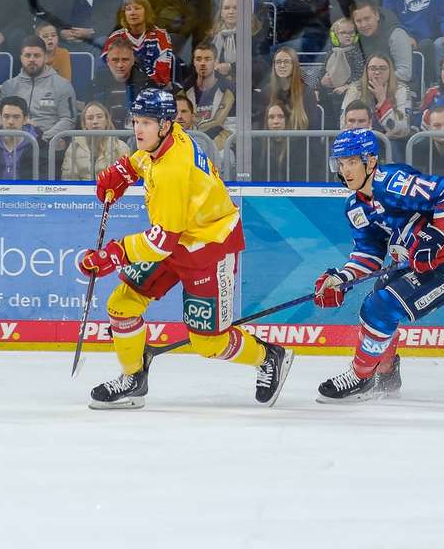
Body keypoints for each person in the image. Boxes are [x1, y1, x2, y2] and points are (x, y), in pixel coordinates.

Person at [77, 88, 294, 410]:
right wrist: (124, 170)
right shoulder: (171, 137)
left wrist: (114, 254)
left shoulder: (172, 172)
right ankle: (133, 378)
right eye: (136, 121)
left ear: (164, 125)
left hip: (209, 248)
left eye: (147, 122)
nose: (138, 129)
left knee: (210, 344)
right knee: (122, 304)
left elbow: (159, 242)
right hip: (177, 239)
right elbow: (145, 160)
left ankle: (269, 356)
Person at [312, 128, 444, 401]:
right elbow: (369, 254)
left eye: (352, 161)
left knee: (381, 306)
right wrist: (343, 278)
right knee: (375, 301)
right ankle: (386, 372)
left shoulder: (392, 183)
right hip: (418, 259)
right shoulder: (355, 207)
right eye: (341, 163)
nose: (345, 170)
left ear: (370, 162)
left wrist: (437, 233)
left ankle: (361, 377)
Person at [1, 35, 77, 153]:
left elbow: (68, 120)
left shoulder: (62, 85)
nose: (32, 59)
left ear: (45, 57)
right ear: (21, 58)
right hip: (13, 144)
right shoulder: (9, 86)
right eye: (27, 55)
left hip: (47, 145)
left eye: (36, 55)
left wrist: (41, 138)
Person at [102, 0, 174, 88]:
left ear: (146, 12)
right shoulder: (114, 38)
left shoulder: (161, 36)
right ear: (124, 14)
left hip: (154, 90)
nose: (132, 13)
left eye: (137, 8)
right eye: (128, 9)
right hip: (122, 90)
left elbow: (162, 78)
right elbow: (107, 75)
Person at [340, 54, 411, 147]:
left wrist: (382, 100)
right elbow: (343, 123)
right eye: (373, 68)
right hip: (360, 139)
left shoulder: (402, 89)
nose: (377, 72)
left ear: (390, 71)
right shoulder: (355, 89)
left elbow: (402, 128)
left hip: (391, 141)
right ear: (366, 71)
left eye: (383, 68)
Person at [92, 36, 154, 127]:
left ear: (133, 60)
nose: (120, 65)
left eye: (125, 59)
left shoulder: (145, 82)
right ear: (107, 61)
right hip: (105, 132)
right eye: (115, 60)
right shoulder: (99, 79)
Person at [62, 101, 132, 180]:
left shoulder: (120, 147)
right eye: (90, 118)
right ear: (84, 124)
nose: (95, 122)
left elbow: (126, 179)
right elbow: (69, 178)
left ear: (106, 121)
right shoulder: (74, 146)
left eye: (99, 117)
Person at [183, 43, 235, 148]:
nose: (203, 63)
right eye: (198, 59)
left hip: (221, 147)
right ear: (193, 62)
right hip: (190, 145)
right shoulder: (184, 91)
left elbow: (230, 128)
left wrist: (211, 148)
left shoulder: (230, 90)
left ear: (216, 62)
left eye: (207, 59)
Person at [351, 1, 414, 85]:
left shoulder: (396, 34)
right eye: (359, 21)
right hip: (365, 88)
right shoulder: (354, 38)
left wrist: (371, 83)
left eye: (367, 19)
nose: (363, 25)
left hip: (397, 88)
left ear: (377, 16)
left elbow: (405, 73)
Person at [319, 17, 365, 128]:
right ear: (335, 36)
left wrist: (347, 86)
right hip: (328, 91)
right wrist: (319, 84)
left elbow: (359, 73)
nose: (347, 35)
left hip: (346, 92)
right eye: (343, 33)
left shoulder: (357, 52)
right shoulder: (331, 52)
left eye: (351, 32)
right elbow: (322, 70)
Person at [261, 47, 321, 131]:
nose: (282, 65)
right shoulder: (266, 92)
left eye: (286, 62)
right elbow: (261, 125)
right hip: (272, 142)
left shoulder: (306, 92)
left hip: (300, 142)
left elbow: (314, 127)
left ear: (294, 65)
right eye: (278, 62)